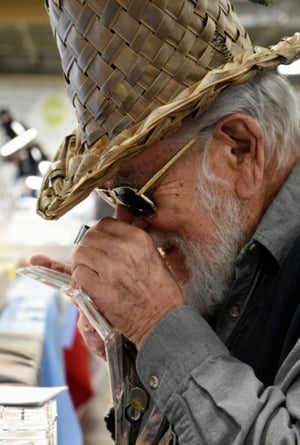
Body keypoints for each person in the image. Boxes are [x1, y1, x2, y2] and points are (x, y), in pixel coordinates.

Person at [31, 0, 300, 443]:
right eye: (112, 198)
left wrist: (157, 321)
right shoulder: (230, 250)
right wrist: (139, 351)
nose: (130, 228)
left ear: (240, 150)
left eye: (138, 195)